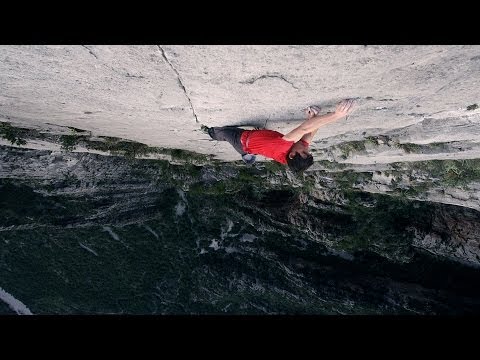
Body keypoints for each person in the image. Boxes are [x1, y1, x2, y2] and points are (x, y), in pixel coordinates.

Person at [204, 99, 355, 172]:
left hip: (242, 140)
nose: (305, 148)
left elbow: (303, 130)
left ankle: (211, 133)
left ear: (291, 155)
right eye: (307, 152)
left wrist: (337, 115)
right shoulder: (294, 154)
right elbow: (310, 132)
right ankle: (250, 155)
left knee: (223, 132)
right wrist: (313, 119)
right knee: (259, 143)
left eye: (304, 152)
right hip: (258, 141)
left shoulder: (283, 146)